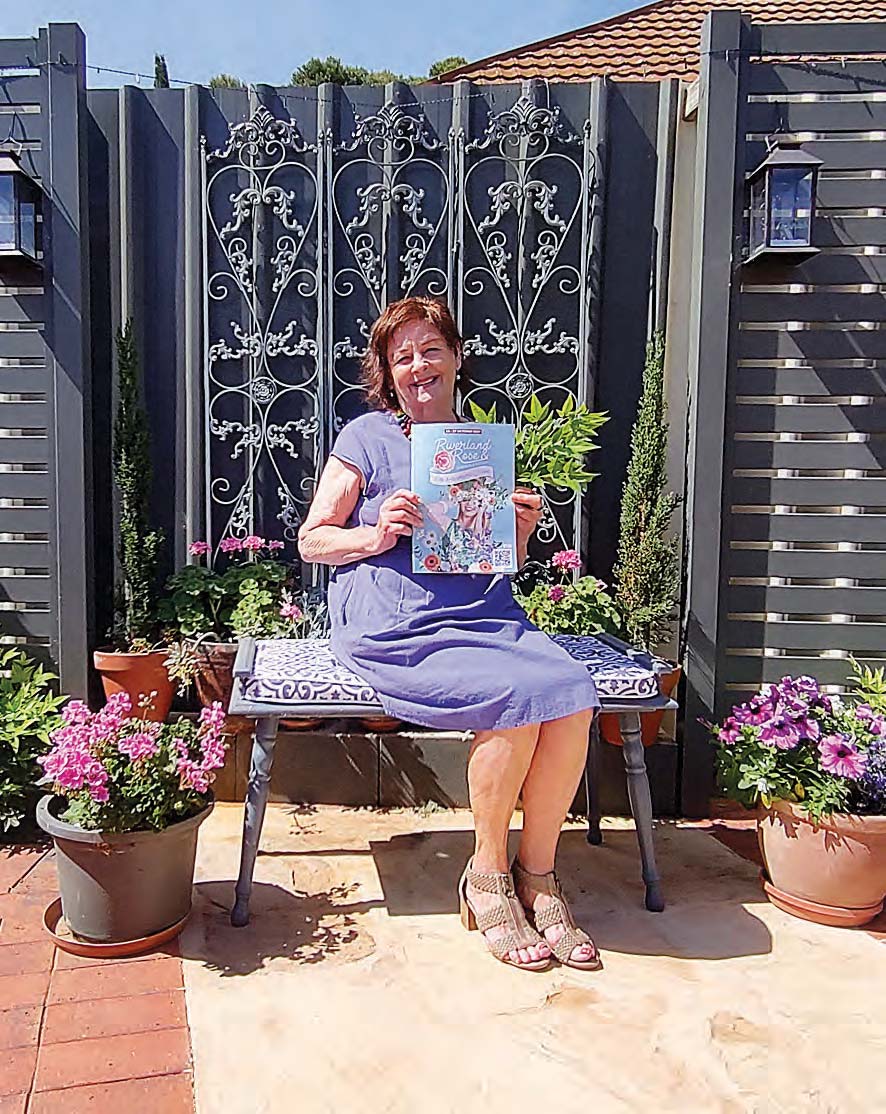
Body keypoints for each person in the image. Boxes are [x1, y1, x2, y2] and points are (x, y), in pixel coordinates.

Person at [298, 297, 600, 971]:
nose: (418, 366)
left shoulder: (478, 447)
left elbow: (487, 556)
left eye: (431, 350)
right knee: (516, 696)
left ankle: (538, 875)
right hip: (394, 620)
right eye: (401, 356)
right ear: (387, 373)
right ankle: (487, 875)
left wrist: (518, 532)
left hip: (481, 614)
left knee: (570, 690)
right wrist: (375, 534)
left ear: (457, 358)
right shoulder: (367, 437)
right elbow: (312, 540)